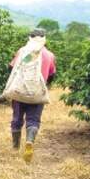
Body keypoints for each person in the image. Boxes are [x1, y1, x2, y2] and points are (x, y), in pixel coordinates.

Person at [9, 28, 56, 162]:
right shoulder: (49, 55)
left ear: (30, 37)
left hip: (20, 92)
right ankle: (29, 141)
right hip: (37, 93)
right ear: (44, 38)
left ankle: (15, 147)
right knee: (33, 120)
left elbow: (12, 68)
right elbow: (52, 74)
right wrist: (45, 87)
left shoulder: (22, 51)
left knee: (17, 118)